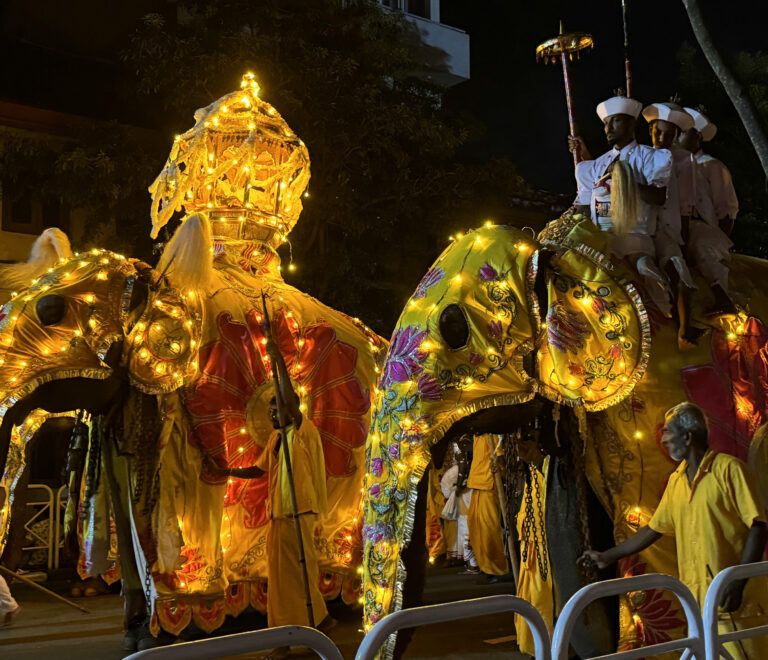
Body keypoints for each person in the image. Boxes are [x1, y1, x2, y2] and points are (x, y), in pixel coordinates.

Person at [584, 402, 768, 659]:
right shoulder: (676, 481)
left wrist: (738, 580)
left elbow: (759, 526)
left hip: (736, 601)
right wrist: (608, 556)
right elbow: (653, 529)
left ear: (688, 436)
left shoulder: (729, 469)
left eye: (669, 432)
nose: (665, 439)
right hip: (699, 605)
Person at [206, 335, 333, 660]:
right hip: (279, 517)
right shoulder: (277, 439)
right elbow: (258, 471)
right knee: (281, 581)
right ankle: (318, 621)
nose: (274, 415)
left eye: (278, 409)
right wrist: (226, 472)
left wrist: (277, 360)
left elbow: (290, 400)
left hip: (300, 514)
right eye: (270, 410)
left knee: (292, 580)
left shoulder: (303, 433)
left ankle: (285, 641)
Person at [569, 94, 673, 316]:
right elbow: (584, 207)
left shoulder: (650, 157)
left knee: (644, 267)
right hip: (601, 240)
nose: (608, 128)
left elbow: (659, 197)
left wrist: (625, 184)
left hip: (636, 238)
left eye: (615, 121)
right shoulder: (596, 165)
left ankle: (667, 307)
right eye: (606, 123)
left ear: (631, 123)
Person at [642, 101, 702, 349]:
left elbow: (686, 203)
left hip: (668, 228)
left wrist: (684, 240)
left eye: (668, 133)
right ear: (650, 131)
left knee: (677, 268)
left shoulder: (684, 160)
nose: (661, 137)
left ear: (676, 136)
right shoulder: (641, 154)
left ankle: (685, 329)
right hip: (641, 226)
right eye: (657, 131)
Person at [679, 106, 739, 315]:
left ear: (698, 137)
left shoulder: (712, 165)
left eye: (684, 132)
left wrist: (720, 241)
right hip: (674, 224)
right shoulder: (670, 163)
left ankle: (723, 298)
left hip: (700, 227)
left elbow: (727, 208)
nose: (678, 137)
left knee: (702, 249)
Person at [514, 432, 553, 658]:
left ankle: (547, 647)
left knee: (541, 600)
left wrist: (537, 460)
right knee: (530, 597)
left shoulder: (553, 464)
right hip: (530, 536)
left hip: (545, 540)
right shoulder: (533, 467)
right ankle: (533, 646)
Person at [466, 434, 509, 579]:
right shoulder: (478, 434)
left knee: (488, 531)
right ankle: (485, 567)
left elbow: (500, 454)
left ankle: (497, 568)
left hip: (488, 483)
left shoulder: (492, 434)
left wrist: (499, 463)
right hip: (476, 483)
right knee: (475, 528)